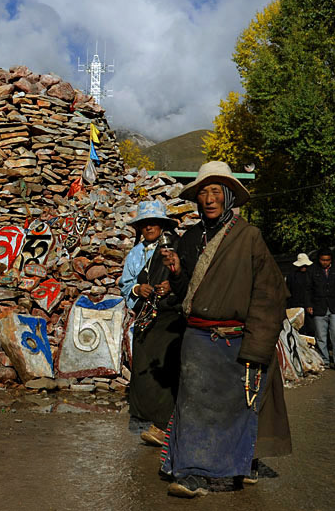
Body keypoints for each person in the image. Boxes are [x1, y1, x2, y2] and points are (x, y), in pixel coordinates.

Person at [159, 161, 291, 498]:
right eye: (203, 192)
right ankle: (193, 473)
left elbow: (268, 293)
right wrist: (175, 273)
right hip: (198, 339)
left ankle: (240, 463)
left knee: (238, 408)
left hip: (236, 337)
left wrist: (257, 346)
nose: (209, 198)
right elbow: (189, 293)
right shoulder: (190, 239)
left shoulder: (249, 237)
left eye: (216, 191)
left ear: (229, 196)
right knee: (193, 408)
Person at [119, 201, 184, 448]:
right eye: (145, 224)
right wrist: (137, 288)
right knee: (145, 370)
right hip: (146, 317)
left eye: (154, 223)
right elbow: (125, 283)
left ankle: (164, 424)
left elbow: (186, 275)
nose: (149, 227)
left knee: (168, 368)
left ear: (163, 225)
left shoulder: (174, 248)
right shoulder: (135, 253)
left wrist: (172, 284)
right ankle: (151, 417)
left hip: (171, 317)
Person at [305, 249, 335, 370]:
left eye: (327, 260)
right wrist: (309, 305)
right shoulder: (312, 270)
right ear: (319, 259)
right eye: (323, 260)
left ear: (331, 260)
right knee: (321, 335)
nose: (325, 262)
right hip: (319, 306)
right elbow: (308, 289)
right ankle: (324, 360)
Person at [286, 253, 313, 335]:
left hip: (309, 306)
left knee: (311, 328)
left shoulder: (311, 275)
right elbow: (288, 291)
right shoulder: (292, 276)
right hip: (296, 305)